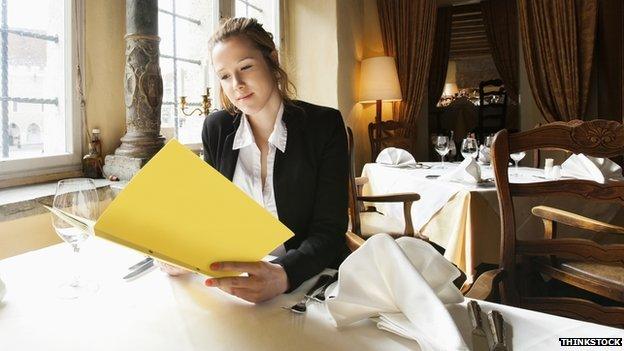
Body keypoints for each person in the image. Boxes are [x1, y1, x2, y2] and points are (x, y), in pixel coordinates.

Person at [159, 17, 349, 303]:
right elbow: (209, 214)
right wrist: (182, 252)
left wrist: (282, 275)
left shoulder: (324, 125)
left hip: (308, 285)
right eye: (224, 76)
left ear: (272, 60)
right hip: (236, 286)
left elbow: (330, 231)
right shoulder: (216, 128)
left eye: (246, 67)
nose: (236, 84)